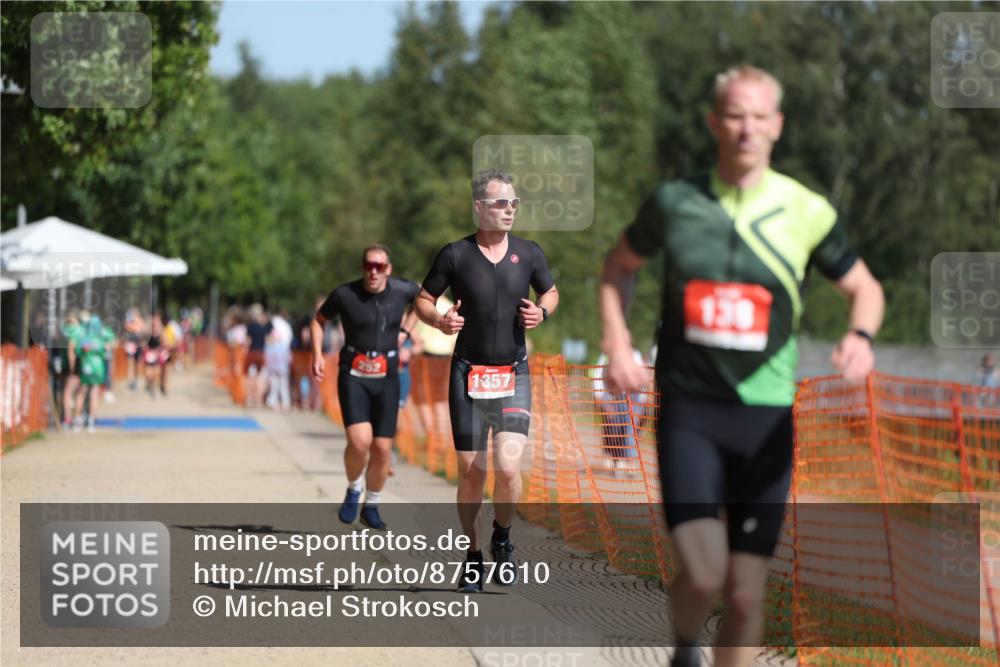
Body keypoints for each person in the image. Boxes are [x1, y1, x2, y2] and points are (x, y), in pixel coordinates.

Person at [598, 65, 884, 667]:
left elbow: (865, 287)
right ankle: (684, 646)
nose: (746, 128)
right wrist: (618, 346)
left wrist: (860, 335)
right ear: (714, 123)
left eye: (758, 117)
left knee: (748, 594)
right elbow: (618, 267)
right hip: (691, 412)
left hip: (766, 418)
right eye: (734, 115)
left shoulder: (806, 210)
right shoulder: (675, 203)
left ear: (777, 125)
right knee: (704, 573)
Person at [415, 169, 559, 593]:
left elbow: (550, 292)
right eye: (501, 203)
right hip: (468, 373)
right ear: (479, 207)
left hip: (513, 372)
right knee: (471, 472)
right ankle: (473, 557)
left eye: (514, 203)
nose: (510, 209)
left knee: (508, 469)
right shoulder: (455, 255)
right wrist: (439, 320)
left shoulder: (529, 253)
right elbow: (423, 299)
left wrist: (542, 311)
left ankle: (503, 537)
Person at [310, 244, 419, 530]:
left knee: (382, 448)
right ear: (362, 267)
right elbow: (319, 321)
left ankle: (371, 505)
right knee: (359, 441)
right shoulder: (345, 294)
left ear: (388, 269)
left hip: (387, 376)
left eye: (379, 266)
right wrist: (317, 355)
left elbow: (425, 299)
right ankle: (354, 488)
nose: (373, 271)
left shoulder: (402, 290)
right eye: (369, 265)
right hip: (354, 374)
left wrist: (406, 331)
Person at [592, 348, 647, 476]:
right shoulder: (607, 355)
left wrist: (643, 399)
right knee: (613, 429)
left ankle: (628, 461)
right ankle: (613, 457)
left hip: (633, 397)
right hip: (613, 396)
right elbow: (598, 375)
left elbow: (641, 378)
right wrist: (600, 397)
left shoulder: (635, 355)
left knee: (630, 430)